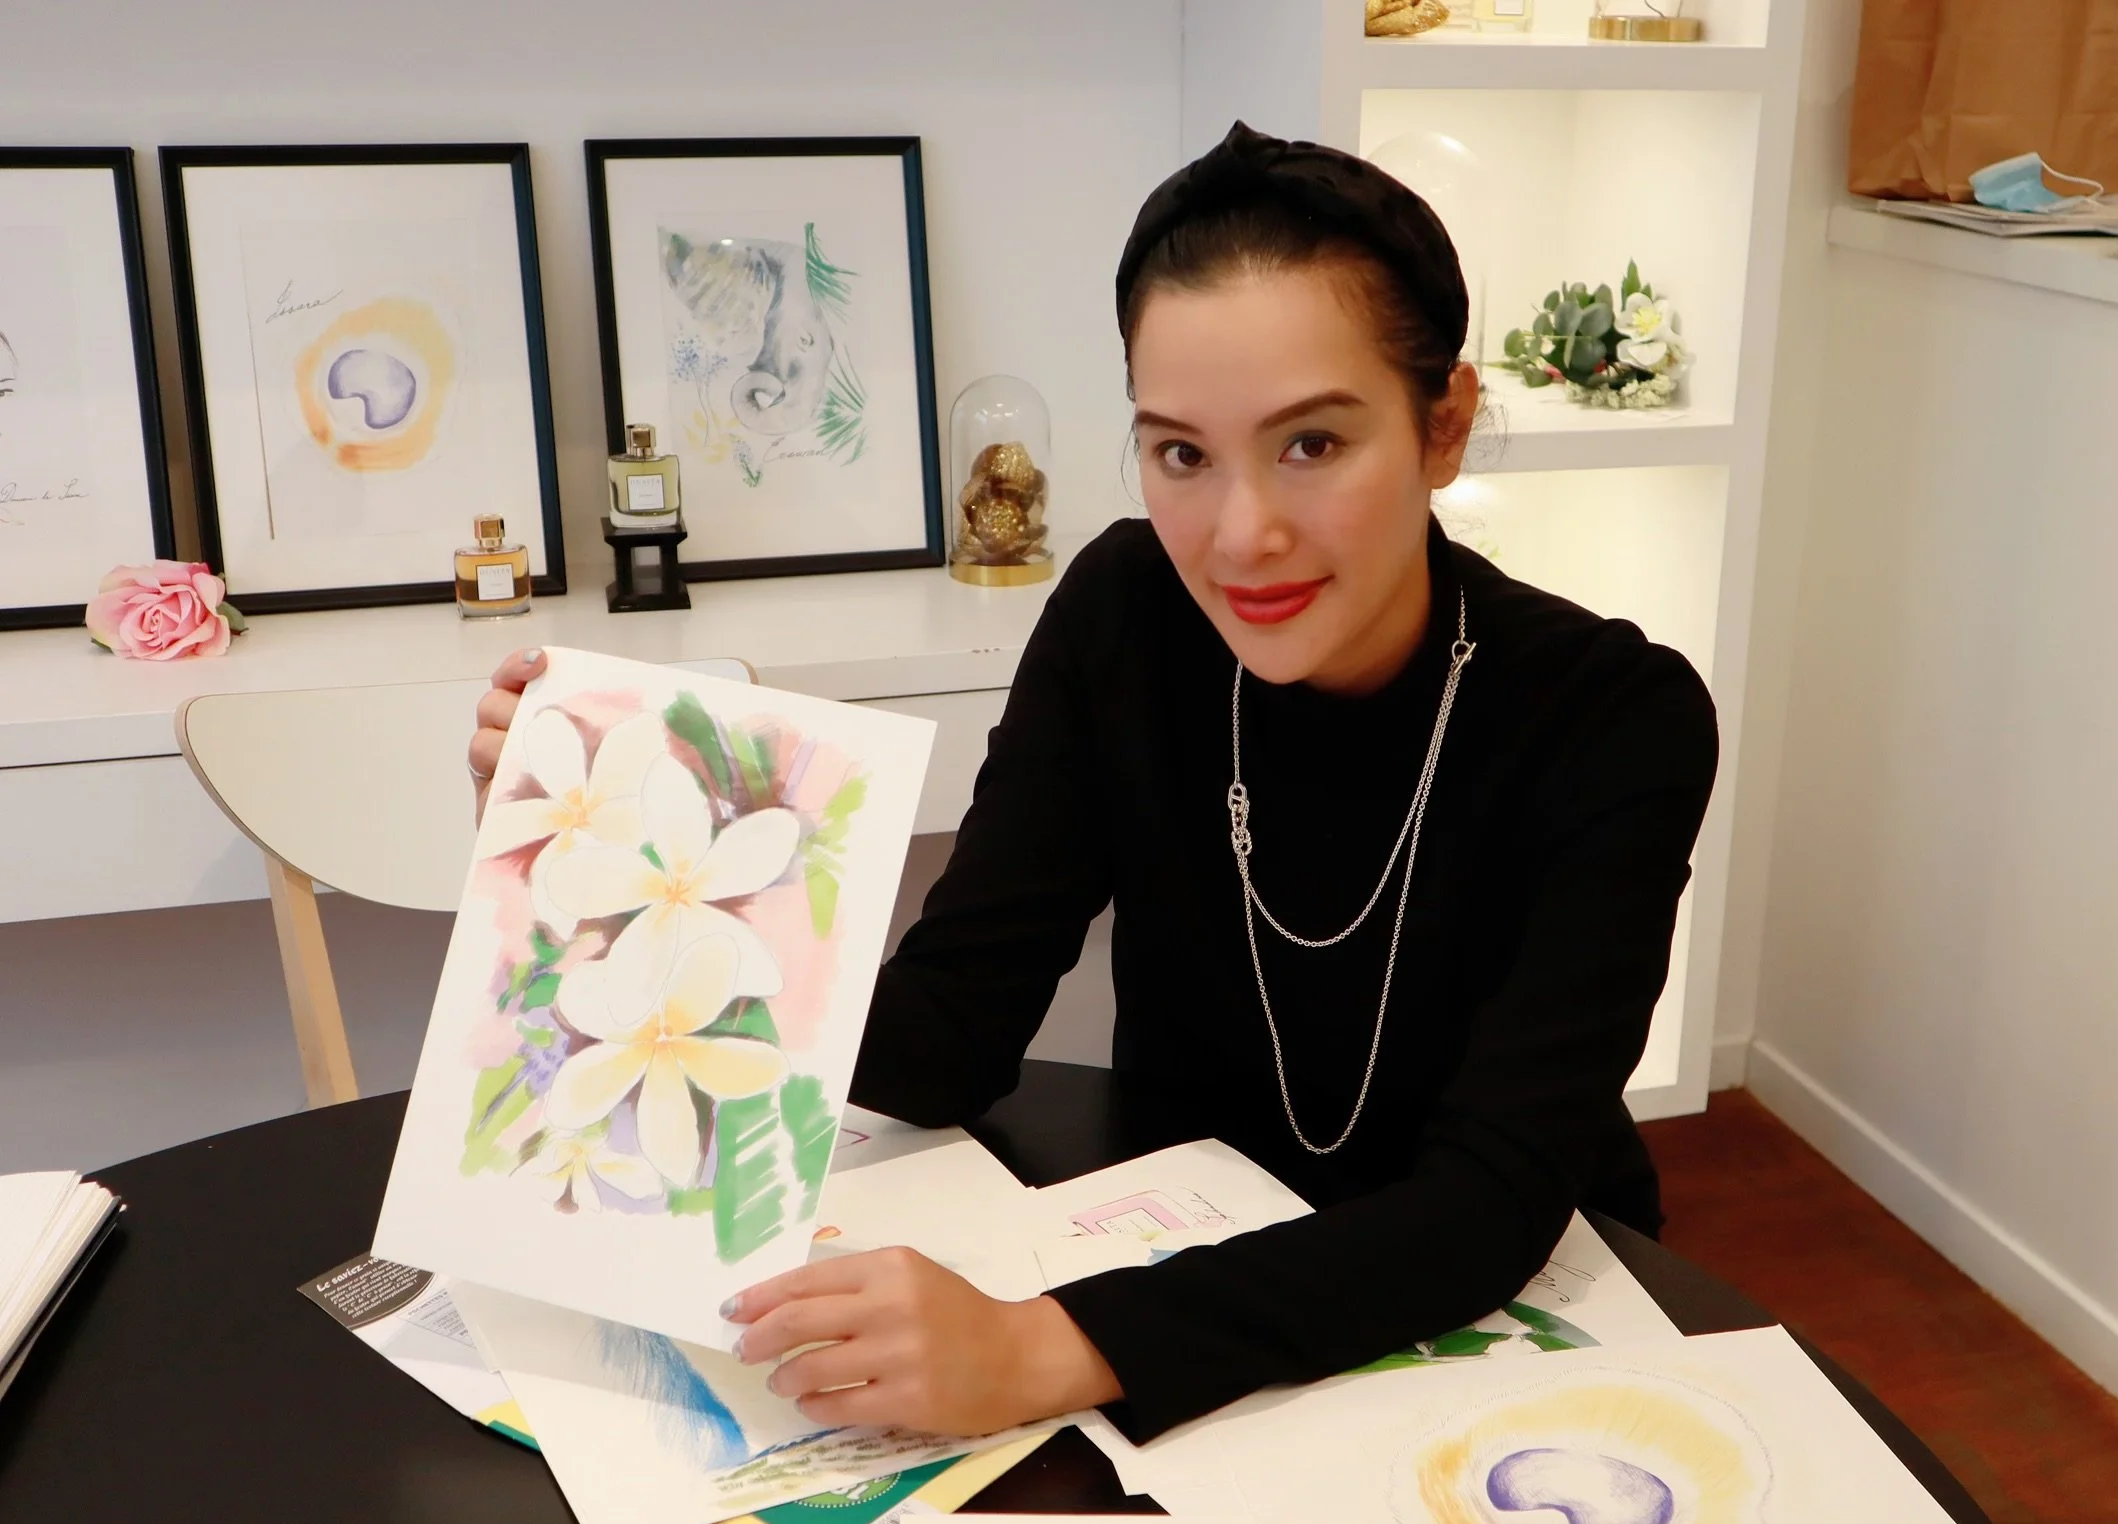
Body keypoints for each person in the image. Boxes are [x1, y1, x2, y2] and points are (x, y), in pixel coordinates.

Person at [468, 123, 1717, 1446]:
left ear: (1444, 424)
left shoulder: (1613, 718)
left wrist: (1039, 1347)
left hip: (1499, 1326)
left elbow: (1488, 1206)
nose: (1241, 535)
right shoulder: (1128, 611)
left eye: (1311, 444)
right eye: (1181, 454)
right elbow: (946, 1040)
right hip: (1186, 1249)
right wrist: (625, 865)